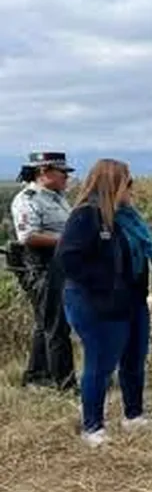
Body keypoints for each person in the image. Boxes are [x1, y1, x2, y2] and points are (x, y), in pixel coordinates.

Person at [56, 159, 152, 447]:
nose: (132, 188)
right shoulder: (86, 216)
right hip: (96, 304)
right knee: (101, 364)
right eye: (128, 182)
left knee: (134, 359)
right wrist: (106, 285)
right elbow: (69, 259)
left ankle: (133, 415)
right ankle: (93, 427)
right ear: (112, 184)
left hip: (133, 301)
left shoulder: (126, 217)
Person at [8, 151, 76, 391]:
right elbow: (28, 236)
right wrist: (68, 241)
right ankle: (65, 382)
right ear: (44, 172)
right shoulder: (28, 199)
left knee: (45, 322)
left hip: (60, 267)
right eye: (62, 173)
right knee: (56, 326)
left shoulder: (57, 198)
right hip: (42, 268)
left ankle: (37, 375)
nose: (66, 178)